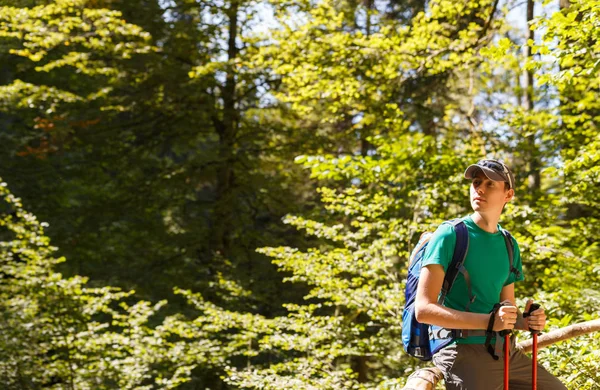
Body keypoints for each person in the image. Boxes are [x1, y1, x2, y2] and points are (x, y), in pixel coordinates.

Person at [414, 159, 566, 390]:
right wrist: (490, 322)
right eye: (476, 182)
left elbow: (506, 310)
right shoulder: (450, 235)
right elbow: (423, 310)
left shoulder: (508, 243)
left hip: (504, 351)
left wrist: (528, 321)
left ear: (508, 194)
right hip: (462, 350)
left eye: (490, 184)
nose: (480, 188)